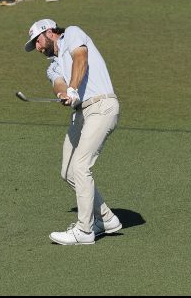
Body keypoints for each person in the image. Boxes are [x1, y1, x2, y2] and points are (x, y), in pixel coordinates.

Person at [24, 18, 122, 246]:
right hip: (80, 114)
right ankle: (106, 219)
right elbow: (58, 82)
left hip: (101, 106)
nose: (37, 47)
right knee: (68, 171)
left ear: (49, 32)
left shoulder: (72, 34)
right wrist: (63, 94)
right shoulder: (53, 65)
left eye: (37, 41)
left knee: (80, 166)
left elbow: (81, 58)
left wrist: (73, 88)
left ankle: (84, 230)